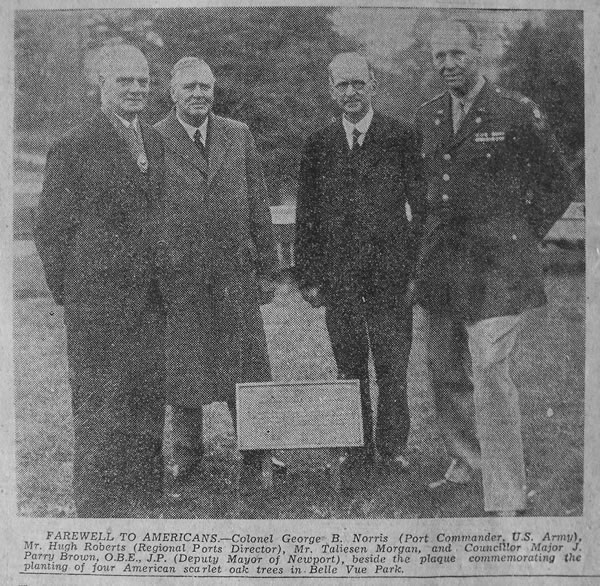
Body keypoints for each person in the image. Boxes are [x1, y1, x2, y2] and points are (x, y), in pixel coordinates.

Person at [413, 20, 574, 515]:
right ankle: (466, 460)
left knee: (489, 369)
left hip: (499, 266)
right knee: (444, 369)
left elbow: (557, 185)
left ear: (477, 53)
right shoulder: (430, 115)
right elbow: (426, 190)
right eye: (440, 57)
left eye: (456, 54)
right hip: (443, 263)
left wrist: (520, 234)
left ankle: (504, 490)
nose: (448, 65)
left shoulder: (516, 110)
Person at [34, 44, 167, 517]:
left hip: (152, 301)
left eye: (142, 81)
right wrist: (71, 293)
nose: (135, 89)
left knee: (148, 395)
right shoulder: (73, 146)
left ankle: (145, 492)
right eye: (124, 81)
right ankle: (97, 503)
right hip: (98, 304)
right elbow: (50, 228)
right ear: (101, 86)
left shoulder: (155, 140)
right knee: (99, 402)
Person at [294, 52, 425, 476]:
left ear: (373, 85)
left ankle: (392, 448)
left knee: (392, 365)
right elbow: (307, 213)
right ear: (331, 90)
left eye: (358, 84)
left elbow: (421, 210)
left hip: (391, 275)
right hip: (340, 276)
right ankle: (354, 445)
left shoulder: (401, 137)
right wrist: (309, 275)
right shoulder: (318, 143)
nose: (351, 93)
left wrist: (416, 273)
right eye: (342, 85)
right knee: (348, 364)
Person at [154, 57, 281, 485]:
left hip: (234, 277)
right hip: (181, 279)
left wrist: (267, 268)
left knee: (246, 365)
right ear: (173, 93)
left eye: (205, 87)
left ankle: (259, 449)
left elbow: (258, 205)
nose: (197, 94)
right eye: (188, 87)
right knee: (183, 366)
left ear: (214, 91)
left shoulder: (237, 134)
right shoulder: (154, 139)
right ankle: (187, 453)